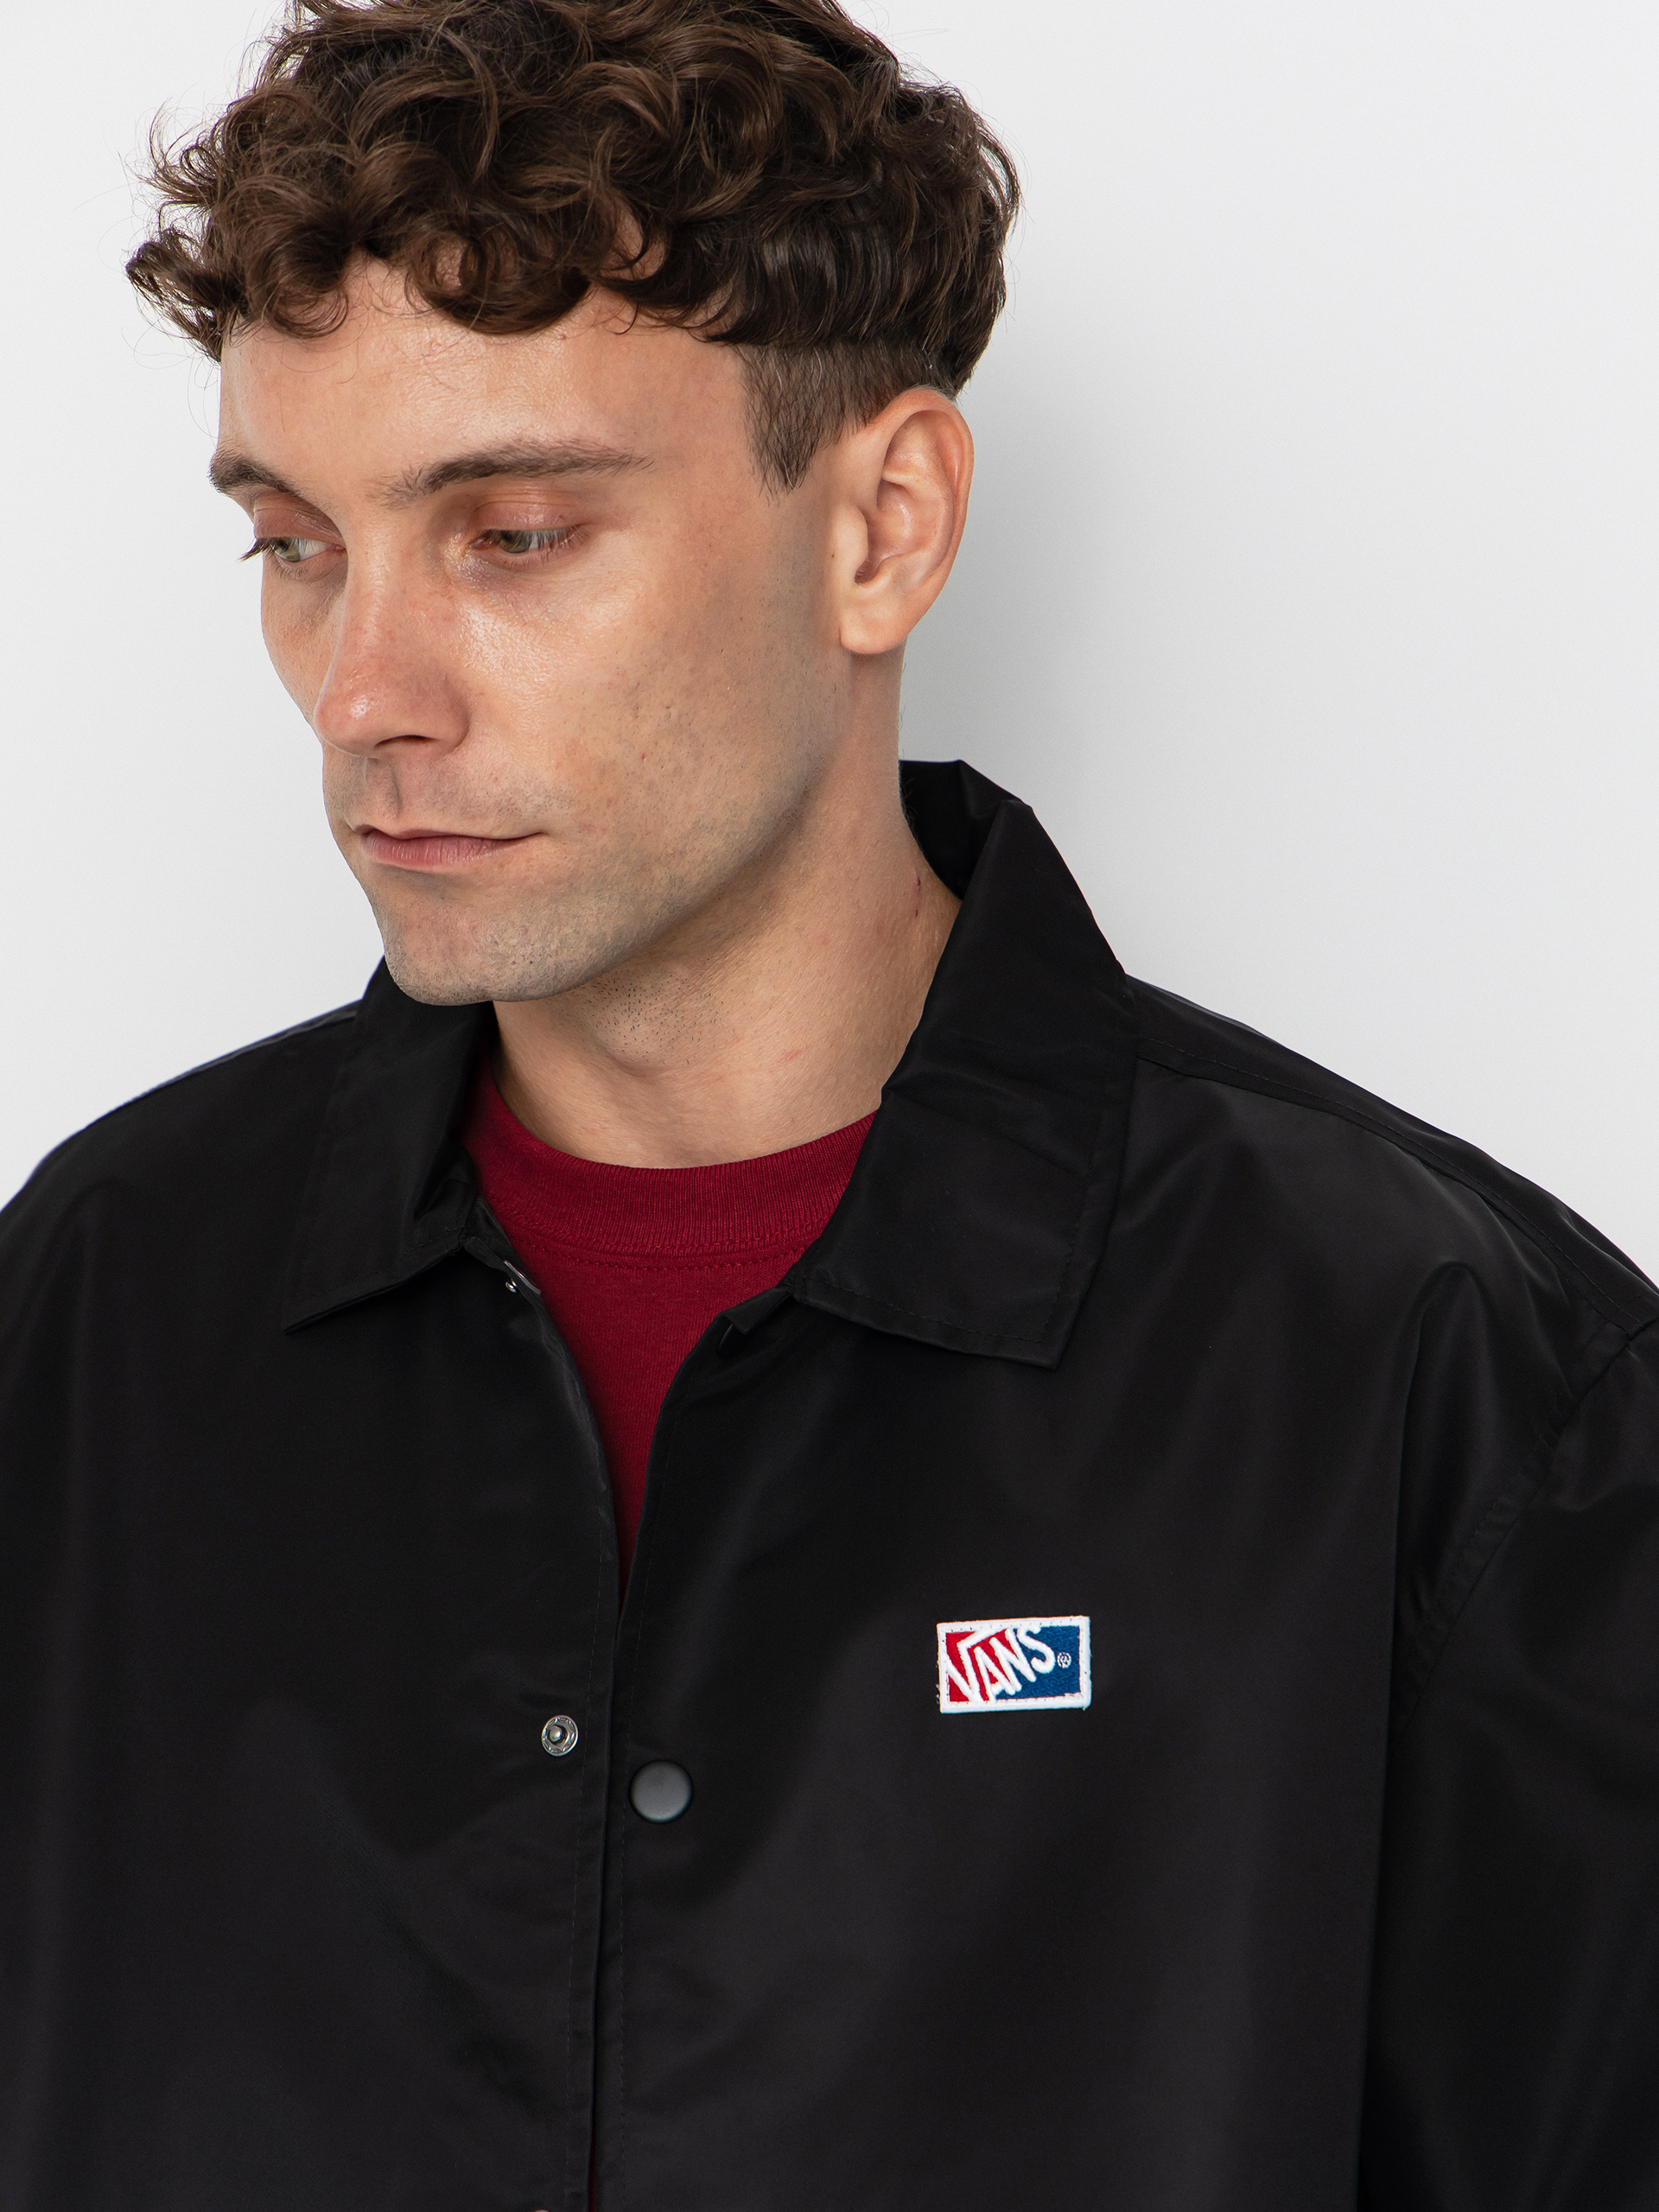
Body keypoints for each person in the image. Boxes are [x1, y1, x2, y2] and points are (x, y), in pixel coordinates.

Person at [2, 0, 1656, 2203]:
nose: (364, 692)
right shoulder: (92, 1314)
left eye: (512, 533)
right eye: (296, 544)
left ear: (885, 525)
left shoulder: (1446, 1376)